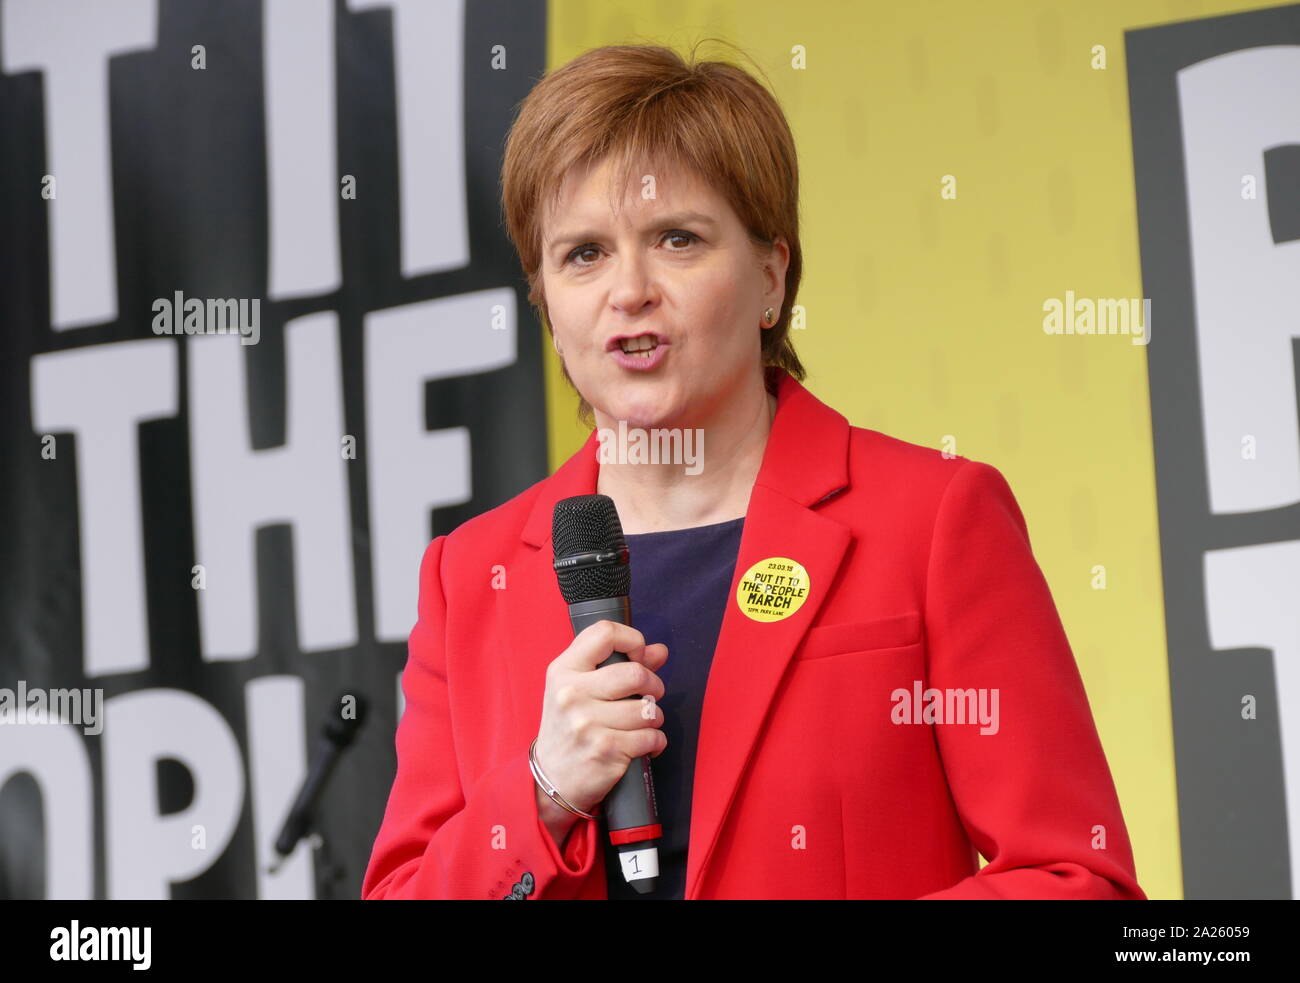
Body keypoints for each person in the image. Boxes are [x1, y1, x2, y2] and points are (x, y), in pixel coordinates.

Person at [361, 42, 1145, 900]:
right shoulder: (470, 576)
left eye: (677, 239)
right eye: (583, 254)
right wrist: (542, 791)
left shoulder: (932, 519)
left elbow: (1079, 878)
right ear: (548, 305)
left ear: (771, 277)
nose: (629, 290)